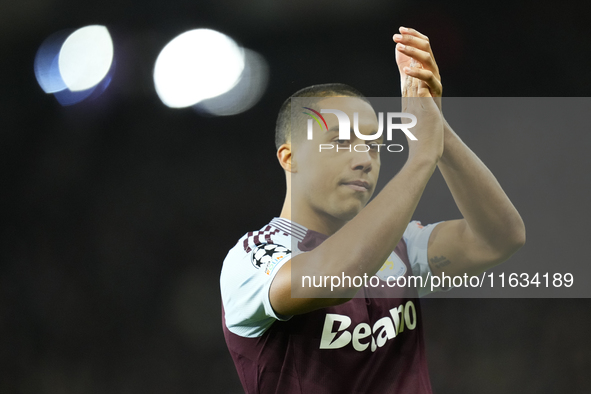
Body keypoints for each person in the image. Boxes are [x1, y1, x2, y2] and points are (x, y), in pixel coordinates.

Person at [220, 26, 525, 393]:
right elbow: (334, 279)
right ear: (290, 157)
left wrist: (436, 131)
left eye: (374, 146)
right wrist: (420, 160)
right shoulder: (254, 258)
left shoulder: (400, 245)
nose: (364, 159)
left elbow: (500, 238)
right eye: (341, 141)